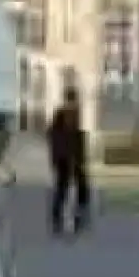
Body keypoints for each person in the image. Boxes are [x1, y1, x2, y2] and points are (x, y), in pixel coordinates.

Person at [46, 84, 92, 236]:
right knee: (64, 187)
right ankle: (59, 218)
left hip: (71, 156)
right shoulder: (63, 114)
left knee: (79, 187)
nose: (74, 103)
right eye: (72, 100)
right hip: (66, 157)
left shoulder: (72, 113)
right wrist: (59, 156)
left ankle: (76, 216)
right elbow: (57, 136)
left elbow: (75, 136)